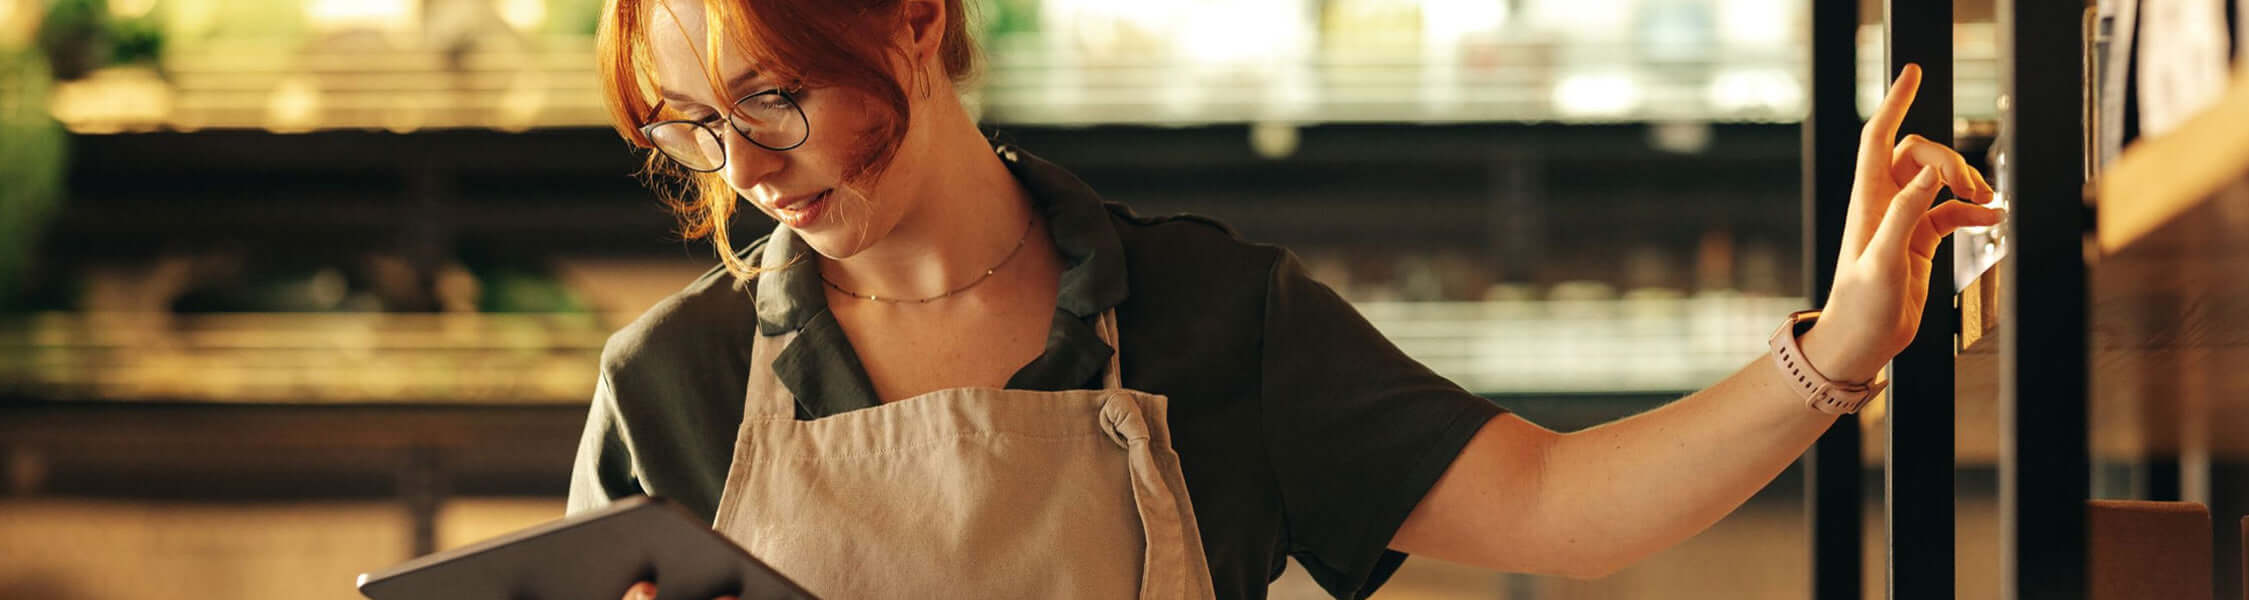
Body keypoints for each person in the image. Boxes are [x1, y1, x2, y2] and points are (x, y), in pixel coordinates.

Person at [567, 0, 2000, 598]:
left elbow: (1558, 509)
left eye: (776, 100)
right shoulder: (672, 387)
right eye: (687, 128)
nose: (743, 170)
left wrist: (1844, 345)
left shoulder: (1205, 313)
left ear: (912, 21)